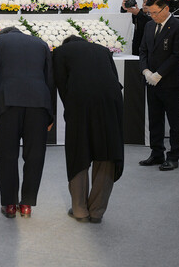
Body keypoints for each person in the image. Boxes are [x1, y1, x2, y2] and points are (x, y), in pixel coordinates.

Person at [0, 27, 54, 219]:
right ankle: (27, 204)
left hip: (8, 103)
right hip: (39, 103)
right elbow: (50, 79)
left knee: (7, 155)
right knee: (35, 155)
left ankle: (10, 204)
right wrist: (51, 114)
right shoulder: (41, 44)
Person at [53, 36, 124, 223]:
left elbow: (61, 83)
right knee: (107, 153)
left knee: (79, 152)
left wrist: (70, 109)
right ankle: (97, 211)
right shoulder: (103, 50)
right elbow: (114, 78)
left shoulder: (60, 52)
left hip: (80, 102)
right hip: (111, 101)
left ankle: (80, 210)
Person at [139, 0, 179, 170]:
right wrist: (145, 71)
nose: (153, 16)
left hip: (171, 82)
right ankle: (156, 152)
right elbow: (143, 50)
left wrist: (159, 74)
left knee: (174, 122)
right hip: (151, 81)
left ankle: (174, 156)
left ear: (166, 8)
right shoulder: (149, 25)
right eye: (150, 13)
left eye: (155, 12)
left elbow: (178, 54)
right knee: (155, 119)